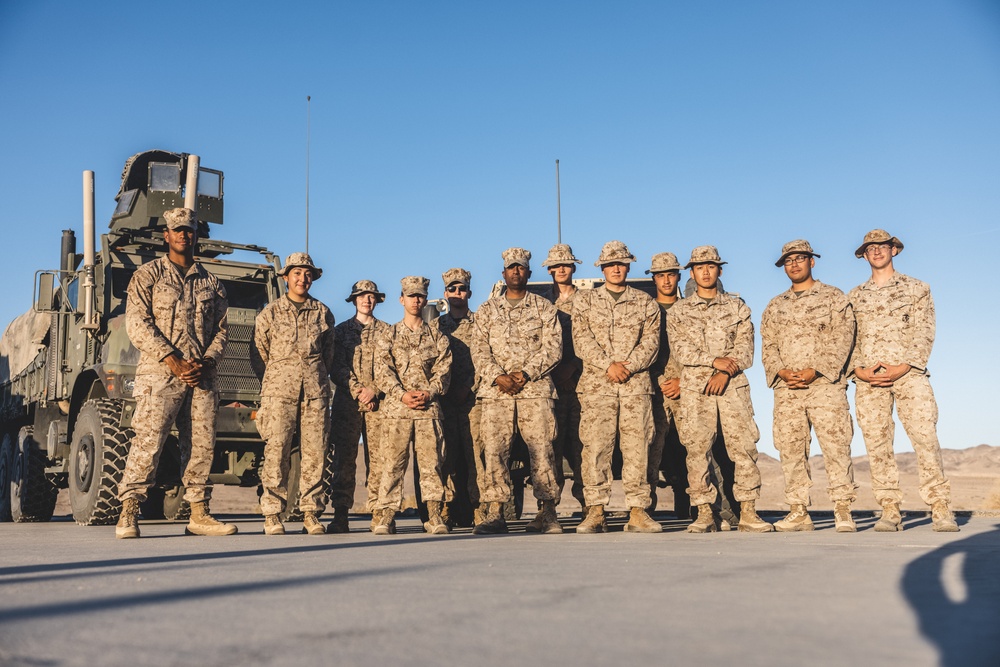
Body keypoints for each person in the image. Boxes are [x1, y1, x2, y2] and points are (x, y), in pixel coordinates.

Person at [116, 207, 236, 539]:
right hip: (159, 375)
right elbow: (137, 324)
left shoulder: (211, 283)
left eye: (190, 230)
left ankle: (198, 513)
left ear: (196, 236)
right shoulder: (148, 275)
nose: (184, 235)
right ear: (167, 235)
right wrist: (172, 358)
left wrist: (206, 363)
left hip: (201, 377)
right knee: (149, 441)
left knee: (201, 445)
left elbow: (223, 331)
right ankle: (129, 512)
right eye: (178, 230)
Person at [848, 230, 958, 532]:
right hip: (869, 379)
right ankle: (889, 508)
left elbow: (925, 330)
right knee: (876, 443)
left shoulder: (917, 288)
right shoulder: (854, 296)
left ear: (894, 250)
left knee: (925, 438)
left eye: (882, 246)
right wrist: (858, 371)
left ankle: (940, 507)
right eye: (871, 248)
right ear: (864, 255)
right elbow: (848, 338)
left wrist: (904, 366)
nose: (877, 251)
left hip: (909, 375)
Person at [667, 245, 772, 533]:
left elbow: (746, 350)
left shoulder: (737, 307)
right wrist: (714, 361)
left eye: (711, 266)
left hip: (733, 386)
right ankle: (703, 512)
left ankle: (748, 511)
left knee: (743, 447)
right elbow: (681, 350)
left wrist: (724, 373)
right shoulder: (679, 312)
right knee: (697, 449)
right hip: (695, 390)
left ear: (719, 270)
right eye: (699, 267)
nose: (705, 271)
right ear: (691, 272)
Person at [761, 240, 858, 533]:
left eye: (800, 259)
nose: (794, 264)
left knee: (836, 446)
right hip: (788, 389)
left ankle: (842, 509)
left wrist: (815, 370)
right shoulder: (775, 306)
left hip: (824, 386)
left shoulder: (833, 298)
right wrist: (780, 370)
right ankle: (799, 511)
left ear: (811, 262)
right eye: (788, 261)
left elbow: (844, 338)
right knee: (790, 449)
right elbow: (768, 344)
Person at [572, 241, 662, 533]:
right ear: (602, 267)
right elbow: (581, 340)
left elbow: (651, 342)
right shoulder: (585, 301)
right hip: (598, 386)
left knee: (637, 449)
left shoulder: (645, 302)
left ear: (628, 266)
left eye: (621, 263)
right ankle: (596, 511)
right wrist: (607, 365)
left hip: (636, 387)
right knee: (596, 447)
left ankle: (638, 511)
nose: (616, 268)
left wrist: (629, 366)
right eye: (610, 264)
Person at [472, 248, 563, 535]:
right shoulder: (487, 310)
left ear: (528, 272)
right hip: (496, 394)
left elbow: (554, 348)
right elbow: (479, 349)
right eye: (511, 268)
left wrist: (525, 374)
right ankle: (496, 512)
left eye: (521, 268)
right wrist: (497, 375)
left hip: (535, 391)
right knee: (496, 452)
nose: (516, 272)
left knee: (542, 451)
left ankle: (547, 513)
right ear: (503, 274)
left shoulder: (544, 308)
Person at [251, 253, 336, 536]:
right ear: (286, 277)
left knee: (315, 453)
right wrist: (282, 374)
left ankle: (311, 512)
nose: (303, 279)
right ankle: (273, 514)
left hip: (314, 393)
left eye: (307, 274)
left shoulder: (322, 313)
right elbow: (260, 351)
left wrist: (313, 377)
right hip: (279, 393)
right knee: (277, 452)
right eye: (297, 273)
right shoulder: (271, 313)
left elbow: (329, 355)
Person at [373, 276, 453, 535]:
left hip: (428, 410)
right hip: (397, 410)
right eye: (411, 295)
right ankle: (386, 514)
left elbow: (444, 370)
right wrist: (401, 394)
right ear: (401, 300)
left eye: (420, 296)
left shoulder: (438, 337)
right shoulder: (389, 335)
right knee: (392, 463)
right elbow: (382, 370)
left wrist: (429, 393)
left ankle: (433, 515)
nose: (416, 300)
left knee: (431, 464)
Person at [328, 280, 390, 533]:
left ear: (376, 300)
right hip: (348, 404)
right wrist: (358, 390)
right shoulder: (341, 332)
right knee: (344, 459)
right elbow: (336, 365)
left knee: (380, 460)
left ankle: (379, 513)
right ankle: (341, 514)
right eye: (362, 296)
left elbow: (391, 366)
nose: (367, 300)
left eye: (371, 296)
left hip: (380, 405)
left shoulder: (388, 332)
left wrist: (375, 389)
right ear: (354, 300)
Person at [434, 268, 484, 527]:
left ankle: (480, 508)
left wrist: (468, 386)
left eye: (461, 289)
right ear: (444, 294)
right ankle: (445, 508)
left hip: (473, 400)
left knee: (477, 456)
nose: (457, 293)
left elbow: (488, 358)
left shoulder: (481, 323)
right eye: (452, 289)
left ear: (469, 292)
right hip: (444, 401)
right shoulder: (436, 327)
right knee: (445, 457)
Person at [541, 243, 586, 514]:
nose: (561, 270)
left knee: (584, 447)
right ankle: (549, 507)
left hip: (583, 384)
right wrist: (557, 373)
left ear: (573, 268)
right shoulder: (540, 302)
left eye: (565, 265)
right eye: (556, 266)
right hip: (551, 384)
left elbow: (599, 338)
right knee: (551, 447)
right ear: (549, 269)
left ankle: (588, 504)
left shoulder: (590, 300)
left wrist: (573, 367)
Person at [645, 252, 690, 517]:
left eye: (671, 274)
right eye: (660, 275)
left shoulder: (691, 310)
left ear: (678, 276)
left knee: (694, 449)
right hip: (653, 392)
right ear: (654, 278)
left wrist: (684, 381)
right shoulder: (644, 310)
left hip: (689, 391)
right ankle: (645, 509)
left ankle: (700, 508)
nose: (666, 280)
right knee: (650, 450)